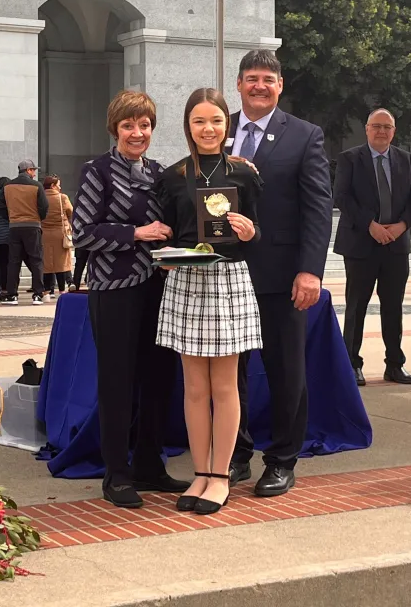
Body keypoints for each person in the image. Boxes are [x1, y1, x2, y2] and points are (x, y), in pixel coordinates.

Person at [72, 90, 188, 509]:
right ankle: (116, 474)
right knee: (118, 382)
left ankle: (149, 466)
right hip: (114, 289)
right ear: (115, 129)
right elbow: (82, 233)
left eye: (144, 125)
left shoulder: (158, 172)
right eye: (128, 125)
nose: (137, 133)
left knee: (158, 379)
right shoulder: (97, 172)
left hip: (158, 286)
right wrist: (136, 234)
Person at [227, 49, 332, 497]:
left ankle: (282, 459)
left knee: (285, 370)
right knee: (229, 371)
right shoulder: (218, 128)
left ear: (280, 86)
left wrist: (310, 271)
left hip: (282, 276)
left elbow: (317, 208)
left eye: (267, 79)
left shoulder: (305, 136)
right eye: (251, 78)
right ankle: (234, 455)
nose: (259, 86)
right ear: (238, 85)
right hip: (224, 276)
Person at [157, 88, 263, 516]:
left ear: (227, 125)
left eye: (216, 121)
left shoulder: (245, 174)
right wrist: (164, 260)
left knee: (225, 384)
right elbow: (168, 232)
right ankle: (200, 471)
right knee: (195, 388)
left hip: (228, 280)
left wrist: (250, 232)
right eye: (199, 121)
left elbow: (259, 233)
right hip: (185, 280)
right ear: (188, 126)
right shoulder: (172, 176)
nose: (208, 129)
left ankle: (220, 476)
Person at [333, 109, 411, 387]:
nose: (382, 131)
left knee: (393, 307)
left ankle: (395, 365)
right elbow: (342, 197)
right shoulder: (349, 159)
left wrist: (401, 226)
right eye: (377, 126)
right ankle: (352, 364)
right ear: (367, 129)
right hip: (361, 243)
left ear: (394, 131)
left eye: (387, 127)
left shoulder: (405, 159)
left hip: (396, 245)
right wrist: (370, 225)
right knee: (356, 306)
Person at [0, 159, 48, 305]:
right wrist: (38, 218)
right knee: (36, 259)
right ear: (28, 170)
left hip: (14, 226)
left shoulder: (7, 186)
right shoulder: (37, 186)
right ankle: (38, 294)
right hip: (33, 226)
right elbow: (44, 207)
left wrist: (11, 218)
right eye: (33, 170)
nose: (34, 173)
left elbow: (0, 207)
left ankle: (12, 294)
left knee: (14, 261)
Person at [41, 174, 73, 301]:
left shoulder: (40, 197)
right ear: (53, 185)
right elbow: (71, 211)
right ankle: (62, 289)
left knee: (46, 263)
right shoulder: (62, 198)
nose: (60, 187)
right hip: (60, 233)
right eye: (58, 185)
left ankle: (47, 291)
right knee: (61, 263)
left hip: (44, 234)